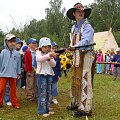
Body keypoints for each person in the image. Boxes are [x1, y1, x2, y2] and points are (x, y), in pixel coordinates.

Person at [66, 3, 94, 117]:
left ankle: (85, 108)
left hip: (86, 54)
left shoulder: (87, 27)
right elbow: (73, 41)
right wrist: (71, 47)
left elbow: (87, 40)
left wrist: (75, 45)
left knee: (85, 78)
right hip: (76, 55)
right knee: (75, 78)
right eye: (78, 11)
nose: (81, 13)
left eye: (82, 11)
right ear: (74, 14)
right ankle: (76, 102)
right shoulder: (73, 28)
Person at [36, 37, 57, 117]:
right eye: (44, 47)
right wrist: (49, 55)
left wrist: (50, 58)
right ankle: (41, 111)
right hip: (41, 76)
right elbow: (39, 59)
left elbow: (54, 64)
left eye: (48, 46)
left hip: (49, 75)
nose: (47, 48)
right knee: (42, 93)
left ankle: (47, 110)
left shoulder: (49, 54)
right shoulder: (38, 53)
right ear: (41, 47)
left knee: (48, 93)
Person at [0, 34, 21, 109]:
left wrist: (18, 73)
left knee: (13, 90)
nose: (12, 43)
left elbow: (18, 64)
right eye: (10, 41)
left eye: (14, 41)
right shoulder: (3, 52)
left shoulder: (17, 53)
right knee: (1, 89)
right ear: (6, 42)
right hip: (3, 74)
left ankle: (15, 104)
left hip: (13, 74)